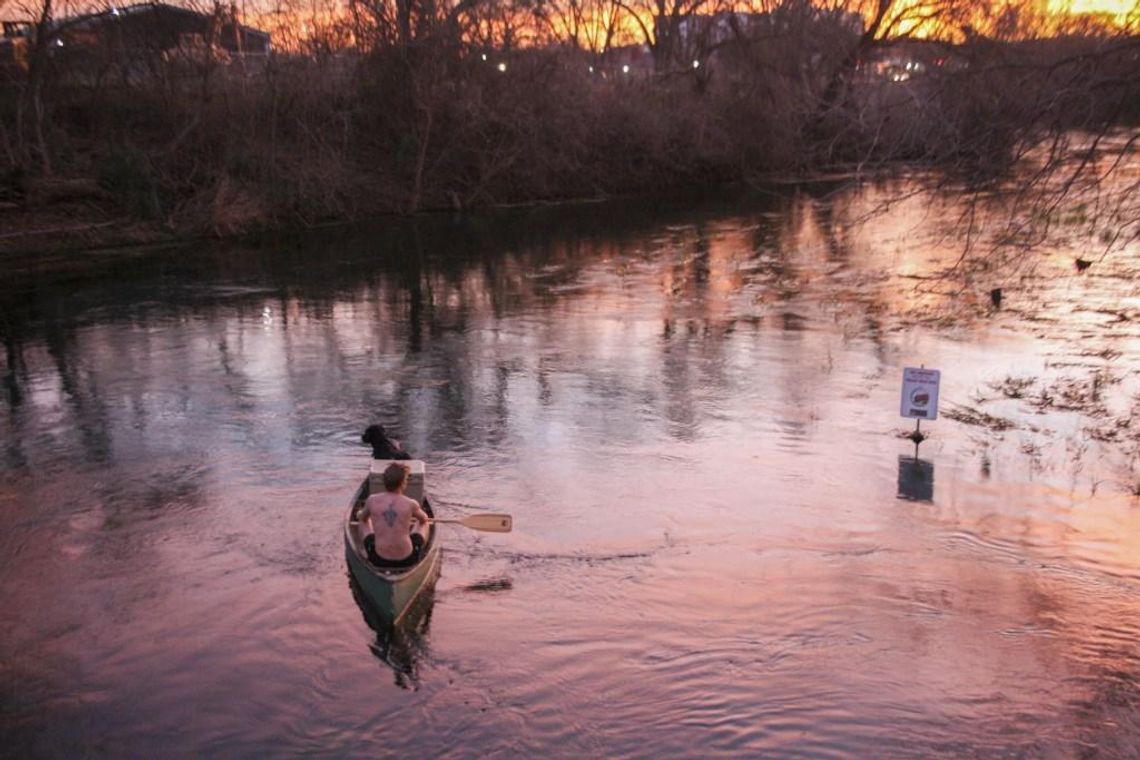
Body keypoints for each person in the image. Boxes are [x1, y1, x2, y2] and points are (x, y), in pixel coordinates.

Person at [358, 462, 429, 568]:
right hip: (407, 559)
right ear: (403, 483)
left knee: (363, 521)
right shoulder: (411, 503)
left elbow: (363, 518)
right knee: (424, 522)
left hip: (378, 558)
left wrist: (360, 514)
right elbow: (424, 519)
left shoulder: (372, 500)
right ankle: (422, 552)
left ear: (384, 481)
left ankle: (366, 553)